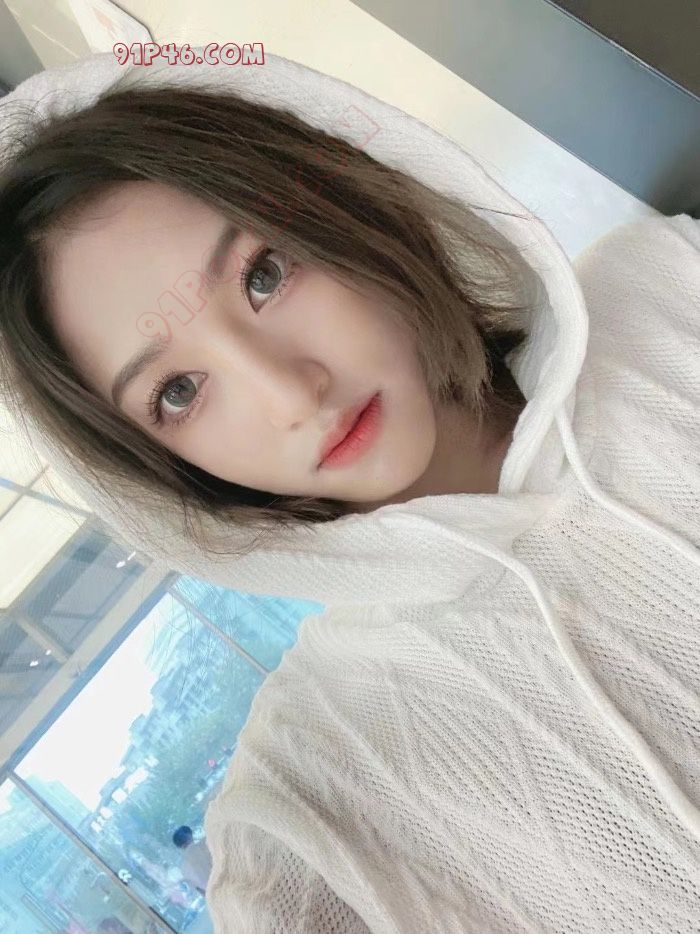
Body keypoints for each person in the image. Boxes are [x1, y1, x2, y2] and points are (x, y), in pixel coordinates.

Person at [0, 51, 698, 934]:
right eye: (177, 392)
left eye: (263, 274)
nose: (292, 395)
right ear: (154, 467)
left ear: (343, 202)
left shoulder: (669, 291)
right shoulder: (305, 802)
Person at [172, 824, 213, 896]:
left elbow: (202, 892)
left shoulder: (184, 869)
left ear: (178, 846)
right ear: (190, 835)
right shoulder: (205, 843)